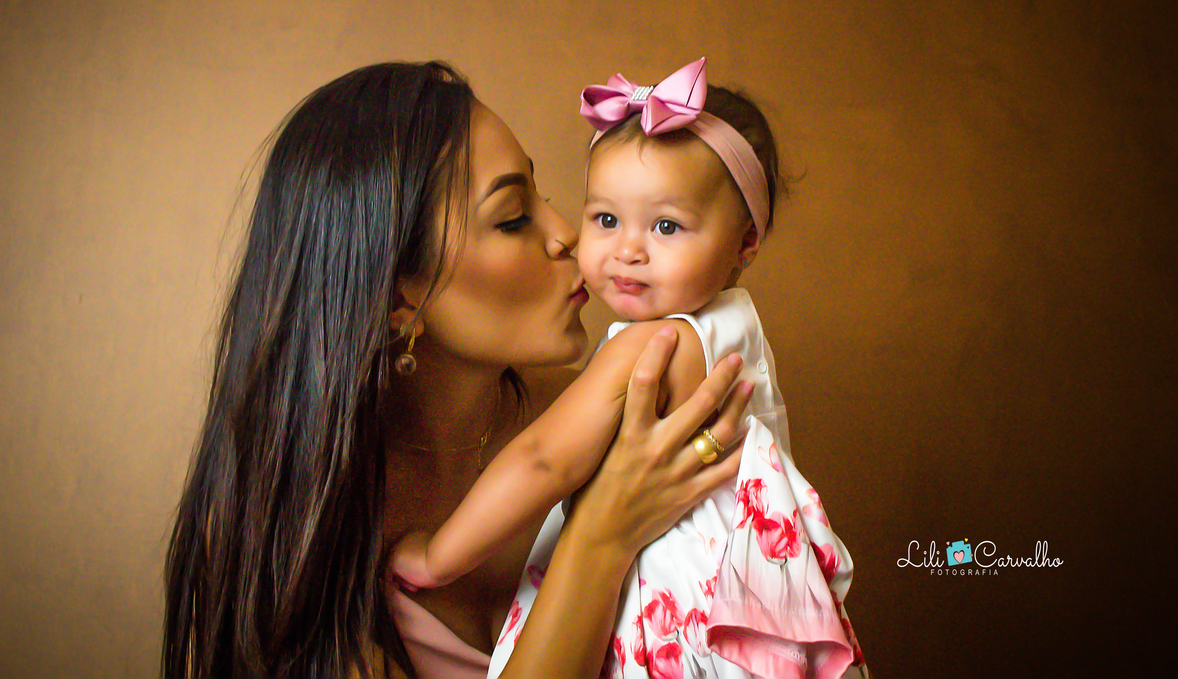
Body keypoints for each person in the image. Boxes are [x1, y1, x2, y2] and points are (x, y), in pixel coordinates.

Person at [162, 61, 757, 679]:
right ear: (398, 298)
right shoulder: (305, 528)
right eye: (512, 218)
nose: (567, 237)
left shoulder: (623, 407)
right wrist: (602, 537)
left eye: (543, 194)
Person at [391, 59, 868, 679]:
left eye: (666, 226)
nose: (624, 250)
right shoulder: (735, 329)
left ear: (745, 245)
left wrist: (435, 557)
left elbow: (544, 460)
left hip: (683, 620)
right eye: (606, 218)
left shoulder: (651, 351)